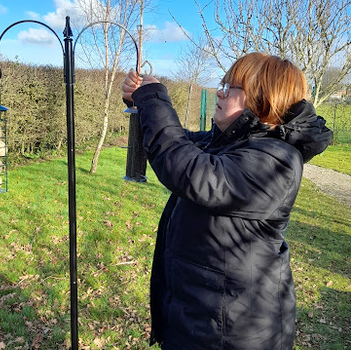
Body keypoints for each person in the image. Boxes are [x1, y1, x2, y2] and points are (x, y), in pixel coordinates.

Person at [121, 52, 333, 350]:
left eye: (231, 87)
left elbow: (185, 168)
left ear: (262, 99)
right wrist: (141, 103)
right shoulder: (228, 144)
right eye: (223, 83)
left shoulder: (276, 160)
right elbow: (175, 141)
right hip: (202, 318)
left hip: (233, 331)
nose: (220, 92)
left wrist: (153, 97)